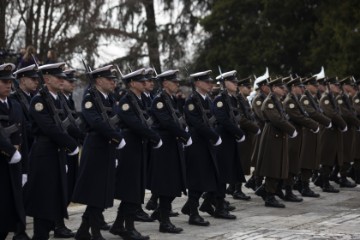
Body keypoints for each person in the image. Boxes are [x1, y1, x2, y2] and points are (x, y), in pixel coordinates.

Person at [25, 62, 80, 240]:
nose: (62, 81)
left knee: (55, 200)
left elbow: (68, 124)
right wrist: (71, 144)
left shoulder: (59, 99)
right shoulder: (39, 100)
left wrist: (83, 137)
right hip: (44, 154)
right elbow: (49, 128)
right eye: (59, 77)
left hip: (57, 154)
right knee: (43, 203)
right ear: (47, 79)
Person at [72, 65, 125, 240]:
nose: (113, 82)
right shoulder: (90, 98)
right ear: (98, 81)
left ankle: (83, 231)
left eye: (113, 79)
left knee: (102, 192)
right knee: (96, 192)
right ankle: (94, 232)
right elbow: (96, 123)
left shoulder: (109, 98)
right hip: (95, 148)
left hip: (107, 148)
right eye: (109, 79)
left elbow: (115, 121)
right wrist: (117, 137)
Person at [110, 68, 162, 240]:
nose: (145, 83)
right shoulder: (126, 101)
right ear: (132, 83)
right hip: (129, 147)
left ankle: (118, 225)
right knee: (130, 189)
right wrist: (154, 136)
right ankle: (129, 228)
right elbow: (134, 124)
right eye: (141, 81)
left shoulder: (140, 100)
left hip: (139, 146)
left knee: (136, 188)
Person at [149, 69, 191, 233]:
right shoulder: (159, 100)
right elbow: (166, 123)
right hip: (164, 146)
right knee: (166, 184)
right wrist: (184, 135)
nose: (177, 84)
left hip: (173, 144)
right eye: (175, 82)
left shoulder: (171, 99)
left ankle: (161, 213)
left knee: (174, 182)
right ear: (165, 83)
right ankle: (164, 222)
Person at [181, 70, 221, 227]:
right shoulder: (191, 101)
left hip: (207, 143)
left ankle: (192, 206)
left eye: (210, 82)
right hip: (196, 143)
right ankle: (193, 213)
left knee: (211, 176)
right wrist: (214, 136)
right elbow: (197, 123)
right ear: (197, 83)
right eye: (207, 82)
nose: (210, 84)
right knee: (197, 179)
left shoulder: (208, 100)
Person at [256, 77, 297, 208]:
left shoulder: (277, 101)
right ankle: (269, 196)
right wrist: (291, 129)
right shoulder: (269, 102)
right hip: (272, 136)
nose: (284, 89)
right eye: (281, 87)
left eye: (284, 87)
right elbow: (277, 119)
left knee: (278, 165)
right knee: (272, 166)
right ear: (274, 88)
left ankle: (267, 190)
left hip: (279, 136)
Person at [210, 70, 247, 219]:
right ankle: (219, 206)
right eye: (234, 82)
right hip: (223, 139)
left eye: (236, 82)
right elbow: (223, 120)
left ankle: (216, 202)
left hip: (229, 139)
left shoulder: (232, 99)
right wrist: (239, 133)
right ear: (225, 84)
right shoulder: (221, 99)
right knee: (222, 173)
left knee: (226, 173)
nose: (236, 84)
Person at [11, 64, 40, 240]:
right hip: (21, 150)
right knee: (19, 195)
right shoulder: (15, 99)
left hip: (33, 150)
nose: (36, 82)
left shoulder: (33, 98)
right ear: (22, 80)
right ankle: (19, 231)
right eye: (33, 79)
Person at [0, 63, 27, 240]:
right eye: (4, 81)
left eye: (10, 81)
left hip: (14, 163)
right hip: (3, 161)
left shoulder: (15, 105)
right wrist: (10, 151)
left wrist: (25, 167)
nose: (9, 84)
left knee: (12, 204)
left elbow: (21, 133)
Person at [282, 77, 319, 202]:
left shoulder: (295, 100)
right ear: (293, 87)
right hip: (293, 136)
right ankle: (287, 191)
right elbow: (298, 117)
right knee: (291, 163)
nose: (303, 88)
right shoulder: (290, 101)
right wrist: (314, 125)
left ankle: (291, 188)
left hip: (298, 135)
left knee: (294, 163)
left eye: (303, 86)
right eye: (300, 86)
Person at [226, 76, 260, 200]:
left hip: (246, 134)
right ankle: (237, 189)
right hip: (241, 134)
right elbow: (240, 118)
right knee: (240, 163)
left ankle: (232, 187)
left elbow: (249, 115)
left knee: (242, 162)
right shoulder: (236, 99)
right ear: (240, 87)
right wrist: (254, 127)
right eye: (248, 86)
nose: (250, 88)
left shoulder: (242, 99)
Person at [298, 76, 331, 197]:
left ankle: (303, 184)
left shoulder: (312, 98)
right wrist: (327, 121)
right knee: (307, 160)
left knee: (311, 159)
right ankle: (304, 185)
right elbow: (312, 113)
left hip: (313, 132)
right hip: (308, 132)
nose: (317, 87)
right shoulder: (305, 99)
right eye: (315, 85)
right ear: (307, 86)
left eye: (317, 85)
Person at [315, 77, 347, 193]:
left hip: (334, 131)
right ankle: (325, 183)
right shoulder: (325, 98)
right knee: (327, 158)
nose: (339, 87)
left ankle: (322, 179)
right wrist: (343, 124)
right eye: (336, 85)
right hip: (328, 132)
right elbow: (331, 114)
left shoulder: (331, 97)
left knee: (333, 156)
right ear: (329, 85)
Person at [335, 77, 360, 187]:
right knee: (345, 153)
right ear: (345, 85)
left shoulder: (348, 97)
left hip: (350, 128)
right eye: (350, 85)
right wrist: (358, 122)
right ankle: (342, 177)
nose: (353, 87)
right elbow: (346, 113)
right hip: (344, 128)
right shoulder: (341, 98)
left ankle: (338, 175)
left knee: (348, 153)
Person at [248, 77, 270, 191]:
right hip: (260, 131)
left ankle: (254, 180)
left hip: (266, 132)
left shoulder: (268, 98)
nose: (270, 87)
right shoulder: (258, 99)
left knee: (263, 157)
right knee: (259, 157)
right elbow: (262, 116)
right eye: (267, 85)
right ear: (262, 87)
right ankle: (256, 181)